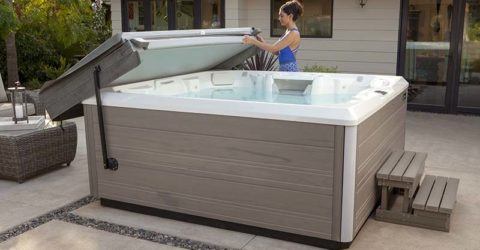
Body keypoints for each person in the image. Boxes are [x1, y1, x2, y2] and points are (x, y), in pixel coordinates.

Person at [242, 0, 303, 72]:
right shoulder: (288, 32)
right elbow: (277, 51)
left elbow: (274, 48)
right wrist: (263, 42)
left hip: (290, 70)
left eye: (281, 16)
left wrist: (253, 41)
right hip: (284, 69)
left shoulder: (293, 33)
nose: (279, 18)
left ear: (290, 16)